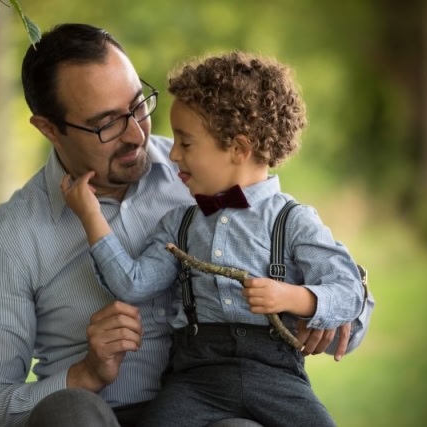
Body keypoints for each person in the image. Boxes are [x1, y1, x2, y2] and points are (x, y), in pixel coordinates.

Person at [0, 24, 374, 427]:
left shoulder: (207, 165)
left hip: (222, 405)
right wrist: (83, 376)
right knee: (70, 413)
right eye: (106, 123)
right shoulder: (7, 238)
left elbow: (315, 267)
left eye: (138, 105)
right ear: (50, 129)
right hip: (97, 416)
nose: (137, 134)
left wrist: (323, 307)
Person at [61, 52, 364, 427]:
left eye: (185, 143)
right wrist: (90, 216)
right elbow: (133, 285)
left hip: (277, 380)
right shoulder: (180, 225)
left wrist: (293, 297)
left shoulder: (295, 221)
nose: (172, 155)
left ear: (238, 148)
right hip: (194, 382)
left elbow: (349, 290)